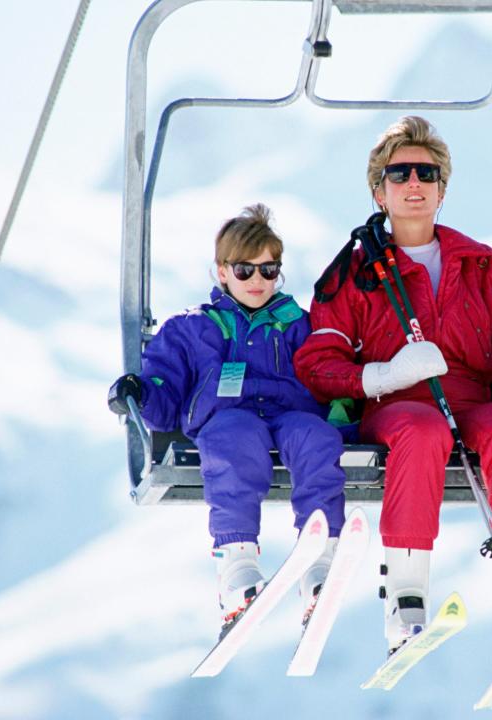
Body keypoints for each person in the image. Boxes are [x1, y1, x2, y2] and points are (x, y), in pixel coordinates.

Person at [294, 116, 492, 658]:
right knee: (421, 430)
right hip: (395, 405)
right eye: (399, 174)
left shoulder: (485, 266)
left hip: (470, 398)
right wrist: (386, 375)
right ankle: (405, 594)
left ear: (444, 187)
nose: (414, 183)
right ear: (379, 190)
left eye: (427, 172)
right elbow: (318, 363)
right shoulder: (354, 273)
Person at [107, 204, 348, 633]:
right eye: (245, 271)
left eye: (269, 271)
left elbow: (327, 373)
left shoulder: (298, 326)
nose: (258, 281)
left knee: (317, 438)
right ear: (221, 272)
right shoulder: (193, 329)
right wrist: (140, 392)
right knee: (233, 442)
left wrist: (346, 406)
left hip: (289, 414)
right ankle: (238, 568)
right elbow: (165, 392)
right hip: (229, 418)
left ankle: (320, 561)